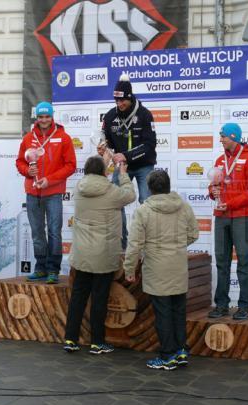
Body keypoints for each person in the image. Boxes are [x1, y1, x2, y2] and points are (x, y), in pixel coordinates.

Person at [124, 170, 198, 370]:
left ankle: (167, 356)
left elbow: (134, 244)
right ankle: (181, 350)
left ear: (149, 189)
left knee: (163, 312)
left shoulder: (143, 210)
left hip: (156, 267)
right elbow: (194, 234)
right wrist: (177, 245)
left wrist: (129, 268)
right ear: (168, 185)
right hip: (178, 265)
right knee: (178, 310)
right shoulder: (183, 206)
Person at [64, 156, 136, 354]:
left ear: (86, 171)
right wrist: (123, 174)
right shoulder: (111, 191)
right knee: (99, 298)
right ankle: (97, 342)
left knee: (78, 297)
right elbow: (130, 195)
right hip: (104, 253)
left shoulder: (78, 188)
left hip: (82, 253)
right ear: (105, 172)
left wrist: (103, 161)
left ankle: (70, 339)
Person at [208, 123, 248, 320]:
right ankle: (221, 305)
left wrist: (231, 203)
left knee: (243, 262)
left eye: (223, 136)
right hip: (221, 217)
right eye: (220, 136)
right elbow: (213, 186)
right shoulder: (219, 160)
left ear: (234, 137)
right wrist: (212, 191)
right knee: (222, 262)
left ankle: (244, 306)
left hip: (241, 217)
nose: (221, 139)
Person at [16, 101, 76, 284]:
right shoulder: (28, 138)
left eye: (47, 116)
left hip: (53, 193)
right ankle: (40, 267)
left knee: (55, 232)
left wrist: (49, 180)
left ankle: (53, 270)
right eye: (41, 117)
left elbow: (71, 166)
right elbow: (20, 162)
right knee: (36, 232)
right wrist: (28, 171)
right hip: (33, 192)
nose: (44, 120)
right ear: (37, 117)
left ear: (52, 117)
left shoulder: (63, 137)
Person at [100, 74, 157, 249]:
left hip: (143, 165)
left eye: (123, 100)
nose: (119, 104)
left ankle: (147, 245)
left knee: (146, 203)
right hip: (121, 166)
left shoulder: (145, 115)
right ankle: (122, 245)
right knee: (116, 202)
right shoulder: (110, 116)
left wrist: (125, 155)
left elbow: (150, 145)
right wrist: (104, 147)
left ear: (130, 97)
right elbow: (106, 138)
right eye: (116, 101)